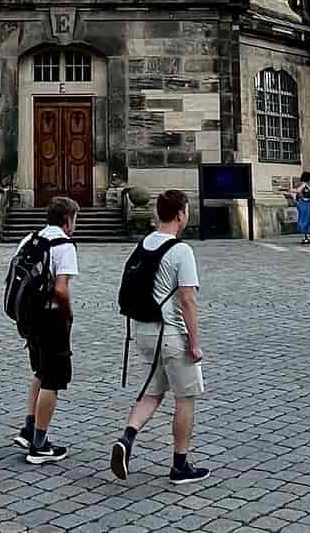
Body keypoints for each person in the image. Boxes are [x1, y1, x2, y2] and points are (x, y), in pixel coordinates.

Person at [110, 188, 210, 486]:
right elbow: (188, 300)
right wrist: (194, 343)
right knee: (186, 397)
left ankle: (127, 438)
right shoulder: (181, 251)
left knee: (153, 392)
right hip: (170, 334)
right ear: (181, 214)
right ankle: (180, 465)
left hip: (143, 332)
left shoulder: (145, 243)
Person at [14, 196, 79, 466]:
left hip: (28, 317)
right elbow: (61, 288)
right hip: (51, 317)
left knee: (40, 371)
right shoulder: (64, 245)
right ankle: (40, 444)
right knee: (53, 378)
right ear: (67, 220)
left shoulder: (31, 239)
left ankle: (29, 428)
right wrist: (68, 312)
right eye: (75, 219)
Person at [294, 173, 310, 243]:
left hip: (309, 203)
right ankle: (305, 236)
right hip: (303, 203)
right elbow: (298, 191)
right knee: (304, 219)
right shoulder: (302, 184)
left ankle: (307, 236)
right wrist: (304, 185)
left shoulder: (309, 185)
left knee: (309, 219)